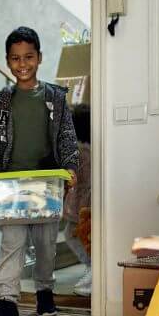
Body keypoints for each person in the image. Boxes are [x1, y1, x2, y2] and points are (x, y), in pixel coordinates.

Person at [0, 27, 78, 316]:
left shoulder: (55, 98)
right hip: (11, 184)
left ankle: (45, 291)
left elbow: (67, 138)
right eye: (16, 59)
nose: (22, 64)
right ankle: (7, 301)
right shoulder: (3, 100)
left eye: (29, 57)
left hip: (47, 183)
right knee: (12, 241)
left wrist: (70, 167)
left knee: (46, 244)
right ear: (7, 61)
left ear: (39, 58)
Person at [63, 104, 92, 297]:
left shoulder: (78, 152)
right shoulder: (90, 150)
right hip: (87, 201)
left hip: (80, 203)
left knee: (72, 234)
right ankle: (92, 267)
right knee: (82, 236)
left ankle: (92, 267)